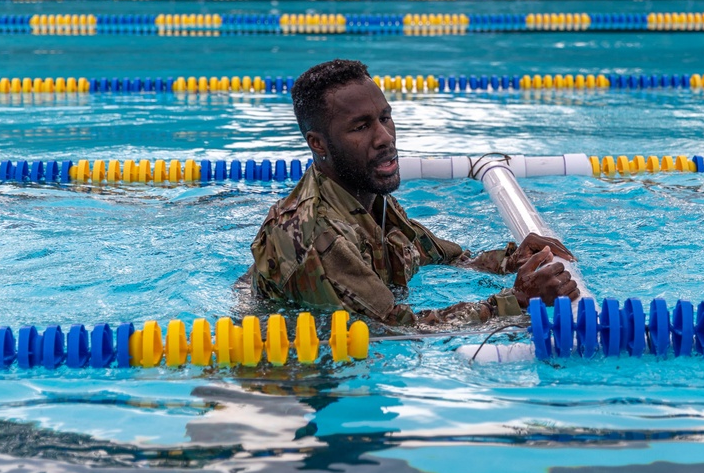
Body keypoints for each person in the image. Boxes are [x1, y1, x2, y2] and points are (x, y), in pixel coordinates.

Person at [248, 59, 579, 326]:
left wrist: (511, 259)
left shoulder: (365, 194)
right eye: (361, 127)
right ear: (318, 144)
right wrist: (518, 300)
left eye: (385, 117)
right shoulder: (313, 235)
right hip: (287, 373)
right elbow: (395, 327)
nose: (385, 138)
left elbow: (443, 256)